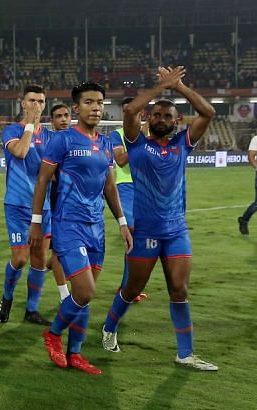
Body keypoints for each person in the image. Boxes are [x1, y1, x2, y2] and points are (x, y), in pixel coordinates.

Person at [100, 66, 218, 371]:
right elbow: (129, 109)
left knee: (179, 289)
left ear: (177, 121)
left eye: (168, 116)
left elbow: (207, 113)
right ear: (148, 119)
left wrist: (178, 87)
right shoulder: (137, 143)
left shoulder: (183, 143)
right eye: (156, 115)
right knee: (132, 289)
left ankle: (186, 353)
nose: (162, 119)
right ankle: (109, 328)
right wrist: (159, 88)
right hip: (146, 231)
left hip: (176, 230)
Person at [30, 82, 132, 375]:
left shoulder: (105, 143)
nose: (96, 107)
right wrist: (37, 223)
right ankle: (52, 334)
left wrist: (122, 223)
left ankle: (76, 353)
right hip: (68, 225)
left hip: (96, 227)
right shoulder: (62, 140)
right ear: (77, 108)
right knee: (85, 291)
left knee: (82, 293)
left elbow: (109, 185)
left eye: (100, 102)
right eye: (89, 102)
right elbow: (42, 181)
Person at [0, 84, 54, 326]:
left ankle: (31, 309)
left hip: (44, 207)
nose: (36, 106)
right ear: (22, 103)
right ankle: (7, 298)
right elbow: (20, 152)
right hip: (18, 205)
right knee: (20, 259)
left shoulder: (51, 137)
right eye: (32, 101)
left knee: (40, 259)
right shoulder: (12, 131)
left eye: (41, 102)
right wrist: (30, 124)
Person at [109, 97, 147, 302]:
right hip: (126, 188)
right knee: (133, 238)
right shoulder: (117, 135)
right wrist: (139, 142)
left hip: (148, 189)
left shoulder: (151, 134)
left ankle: (129, 288)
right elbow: (120, 160)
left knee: (146, 241)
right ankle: (126, 289)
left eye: (132, 110)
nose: (129, 114)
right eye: (125, 111)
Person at [47, 103, 72, 301]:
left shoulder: (79, 139)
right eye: (58, 116)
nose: (63, 119)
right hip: (59, 198)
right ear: (52, 121)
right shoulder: (51, 142)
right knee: (59, 248)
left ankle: (46, 266)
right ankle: (64, 295)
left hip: (82, 202)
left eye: (65, 115)